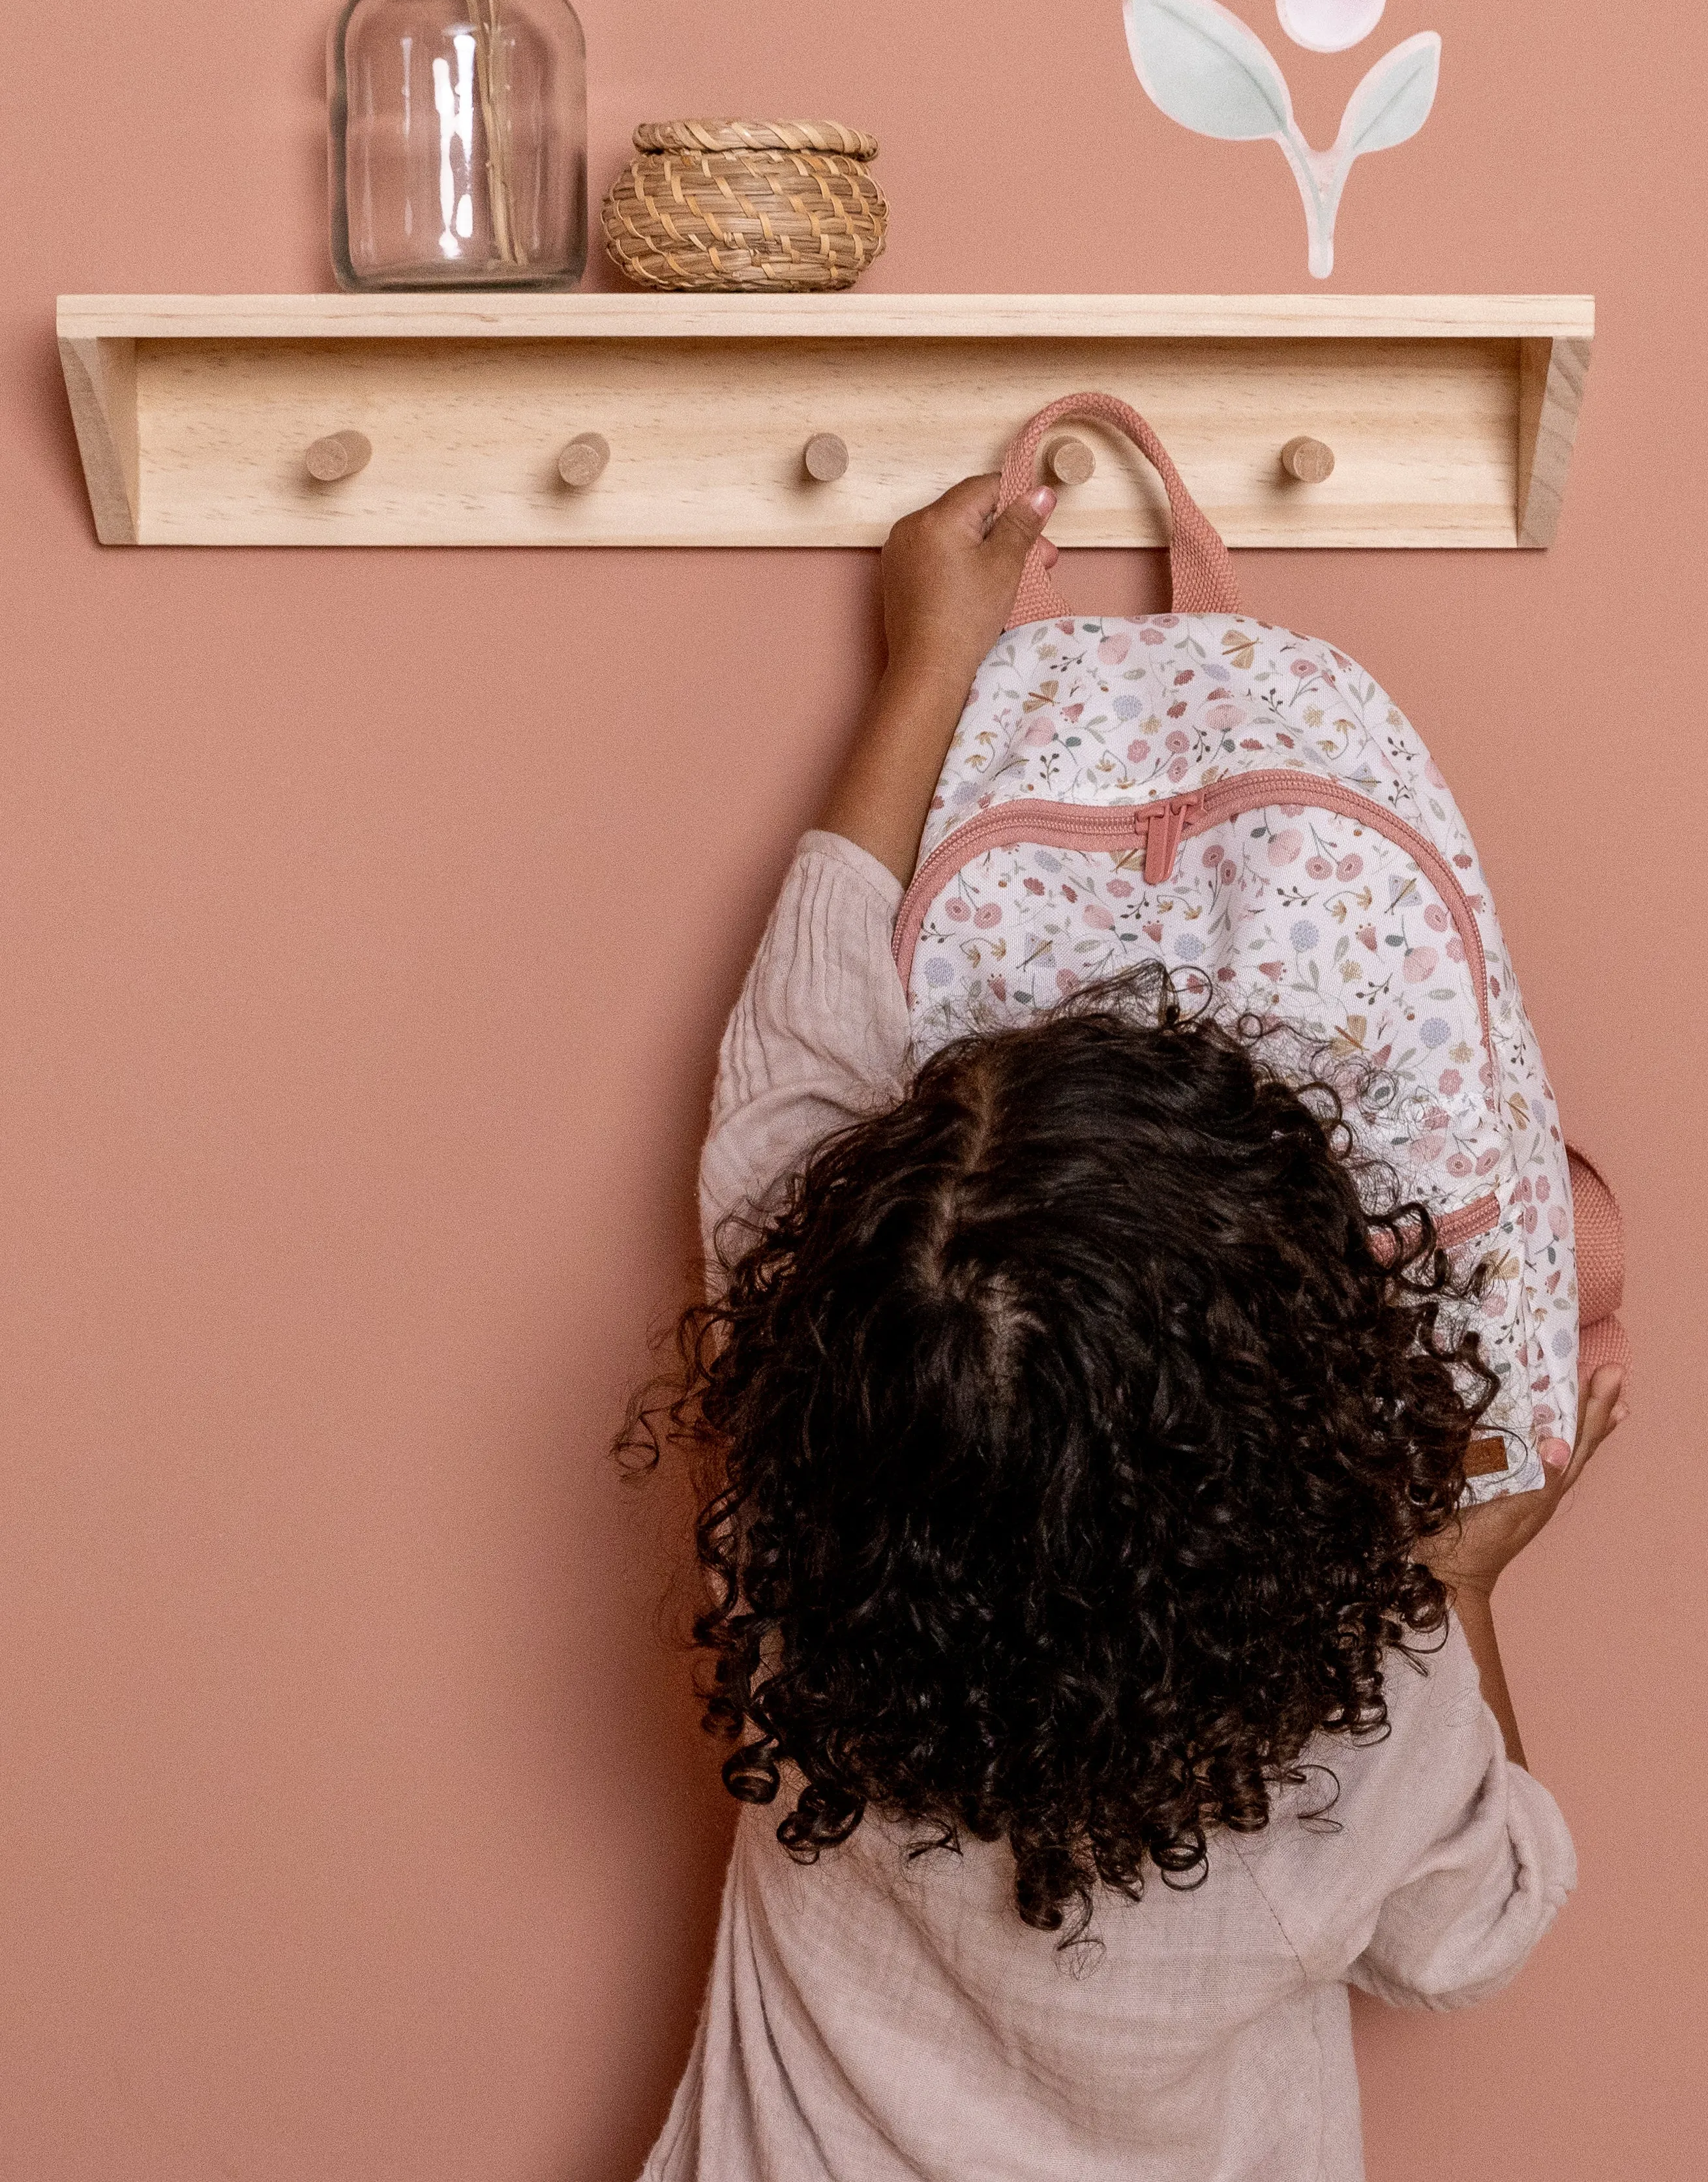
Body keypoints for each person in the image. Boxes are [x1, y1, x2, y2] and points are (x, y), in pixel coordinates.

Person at [622, 473, 1626, 2182]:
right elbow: (1474, 1933)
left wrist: (919, 675)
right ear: (1303, 1398)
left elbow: (795, 1057)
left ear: (831, 1331)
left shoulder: (802, 1530)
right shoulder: (1356, 1716)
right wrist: (1458, 1587)